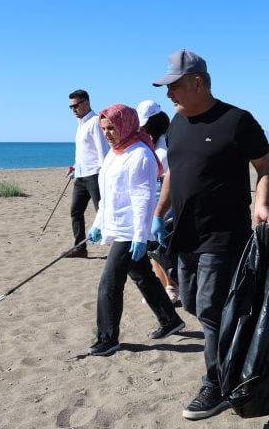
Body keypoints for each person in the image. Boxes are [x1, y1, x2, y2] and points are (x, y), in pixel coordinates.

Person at [150, 49, 269, 421]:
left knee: (208, 309)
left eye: (174, 86)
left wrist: (261, 203)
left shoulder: (237, 121)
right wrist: (160, 213)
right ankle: (239, 357)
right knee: (192, 304)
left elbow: (267, 170)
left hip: (224, 234)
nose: (169, 94)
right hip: (185, 234)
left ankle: (218, 383)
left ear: (198, 82)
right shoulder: (175, 123)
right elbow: (174, 172)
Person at [85, 103, 185, 357]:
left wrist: (141, 237)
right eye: (104, 129)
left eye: (112, 128)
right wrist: (97, 224)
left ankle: (108, 338)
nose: (108, 134)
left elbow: (143, 199)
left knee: (110, 282)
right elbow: (108, 197)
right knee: (142, 275)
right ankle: (170, 320)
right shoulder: (114, 153)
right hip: (118, 227)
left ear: (126, 126)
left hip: (132, 231)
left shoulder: (140, 154)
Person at [136, 99, 179, 304]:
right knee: (152, 245)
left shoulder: (168, 140)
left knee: (162, 244)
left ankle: (171, 286)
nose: (142, 127)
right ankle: (162, 286)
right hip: (153, 192)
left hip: (166, 194)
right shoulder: (151, 140)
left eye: (145, 124)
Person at [66, 89, 109, 259]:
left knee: (103, 211)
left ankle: (119, 248)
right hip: (81, 176)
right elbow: (83, 152)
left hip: (95, 175)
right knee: (75, 211)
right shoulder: (81, 123)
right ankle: (80, 248)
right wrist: (75, 168)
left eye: (76, 106)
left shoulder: (95, 122)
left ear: (86, 103)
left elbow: (102, 152)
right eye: (71, 107)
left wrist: (104, 175)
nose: (73, 110)